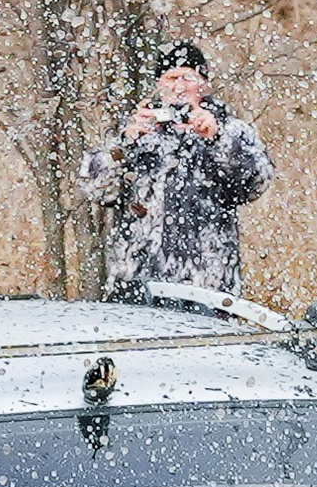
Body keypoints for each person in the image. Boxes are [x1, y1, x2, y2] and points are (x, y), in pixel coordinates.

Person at [80, 41, 274, 299]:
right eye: (171, 78)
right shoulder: (137, 130)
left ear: (204, 84)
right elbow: (94, 188)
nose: (179, 86)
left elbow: (256, 183)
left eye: (188, 77)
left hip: (208, 288)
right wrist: (125, 145)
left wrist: (217, 139)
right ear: (159, 84)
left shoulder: (231, 129)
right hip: (138, 287)